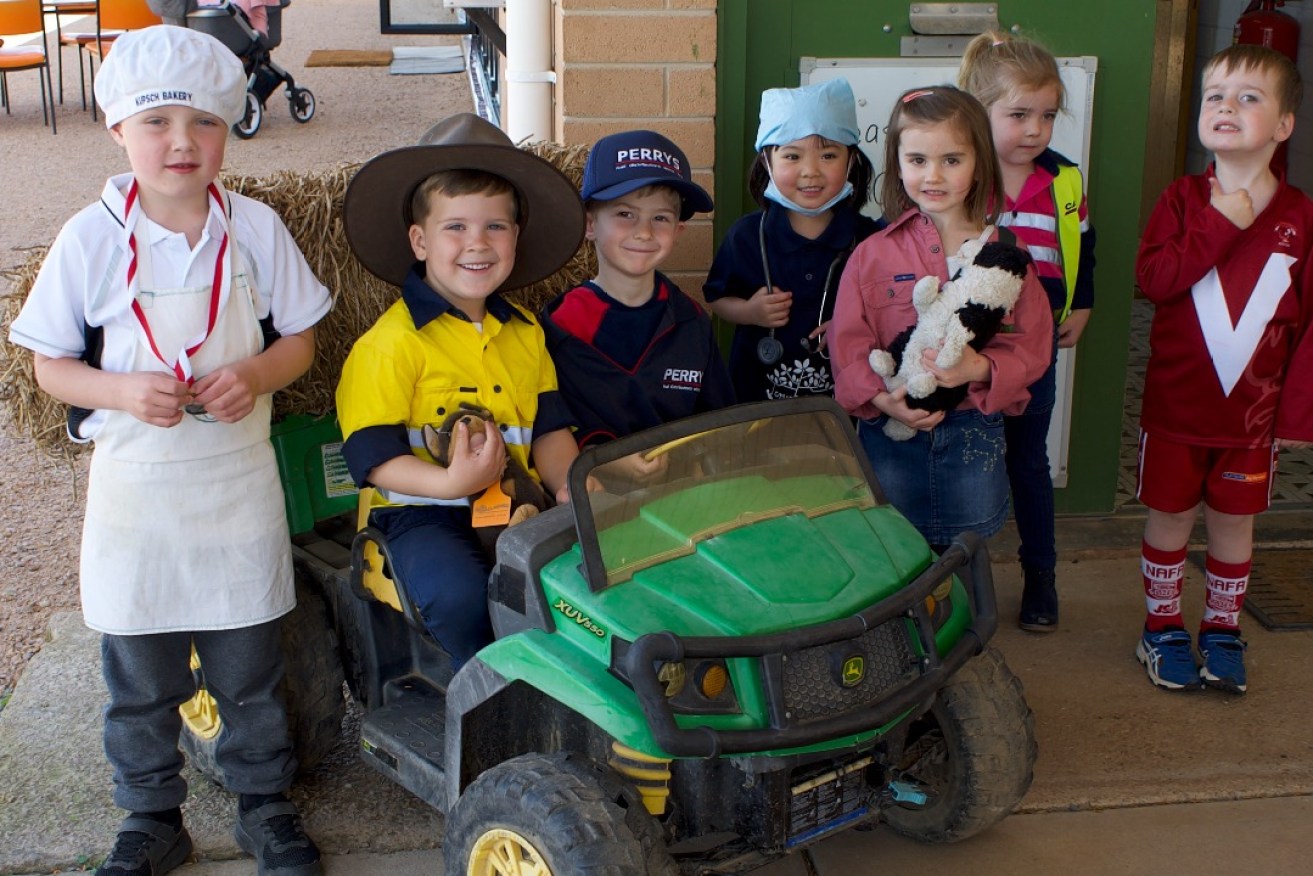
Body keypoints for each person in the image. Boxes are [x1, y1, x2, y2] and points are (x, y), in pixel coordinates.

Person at [7, 26, 331, 876]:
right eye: (157, 123)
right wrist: (119, 391)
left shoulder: (253, 228)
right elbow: (47, 366)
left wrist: (255, 372)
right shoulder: (88, 238)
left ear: (229, 128)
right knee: (140, 678)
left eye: (204, 122)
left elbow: (299, 338)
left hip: (234, 485)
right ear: (118, 129)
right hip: (136, 497)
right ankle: (151, 816)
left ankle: (265, 806)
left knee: (248, 669)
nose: (181, 142)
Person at [335, 113, 585, 668]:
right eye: (456, 227)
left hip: (517, 503)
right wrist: (451, 482)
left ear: (516, 237)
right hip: (422, 513)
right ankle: (491, 686)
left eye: (496, 226)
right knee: (463, 598)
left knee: (585, 585)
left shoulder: (525, 331)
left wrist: (570, 488)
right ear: (419, 241)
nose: (478, 243)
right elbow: (375, 459)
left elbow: (547, 428)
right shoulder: (390, 344)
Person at [1133, 44, 1313, 695]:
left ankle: (1221, 627)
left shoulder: (1300, 216)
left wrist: (1294, 413)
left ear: (1283, 125)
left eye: (1248, 97)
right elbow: (1152, 280)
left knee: (1235, 523)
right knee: (1171, 516)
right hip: (1175, 410)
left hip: (1250, 420)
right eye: (1215, 95)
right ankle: (1160, 627)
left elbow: (1308, 325)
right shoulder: (1181, 199)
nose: (1226, 106)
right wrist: (1217, 222)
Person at [830, 85, 1053, 554]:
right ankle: (904, 628)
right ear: (897, 162)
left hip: (974, 428)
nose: (933, 175)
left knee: (966, 553)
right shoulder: (872, 254)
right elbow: (848, 341)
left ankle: (964, 625)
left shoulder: (1007, 255)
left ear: (979, 163)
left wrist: (980, 369)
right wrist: (879, 399)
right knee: (894, 549)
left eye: (952, 160)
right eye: (917, 160)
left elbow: (1033, 345)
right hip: (890, 429)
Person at [958, 31, 1098, 633]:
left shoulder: (1063, 180)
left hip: (1036, 353)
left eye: (1046, 115)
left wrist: (1082, 304)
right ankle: (959, 586)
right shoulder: (961, 177)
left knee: (1028, 463)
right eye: (1018, 115)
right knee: (966, 463)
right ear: (977, 110)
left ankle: (1041, 576)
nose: (1035, 129)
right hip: (969, 354)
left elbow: (1084, 250)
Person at [542, 129, 734, 451]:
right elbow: (550, 428)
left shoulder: (691, 322)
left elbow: (719, 424)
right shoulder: (561, 324)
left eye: (660, 218)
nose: (644, 232)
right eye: (625, 214)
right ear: (590, 223)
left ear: (678, 230)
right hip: (593, 494)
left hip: (678, 491)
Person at [704, 78, 882, 401]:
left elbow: (890, 313)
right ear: (767, 162)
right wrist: (751, 313)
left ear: (852, 159)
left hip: (844, 415)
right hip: (755, 408)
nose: (811, 171)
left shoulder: (870, 241)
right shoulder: (745, 237)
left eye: (828, 156)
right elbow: (717, 298)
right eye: (792, 156)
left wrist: (855, 326)